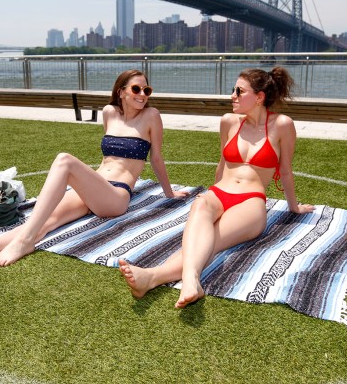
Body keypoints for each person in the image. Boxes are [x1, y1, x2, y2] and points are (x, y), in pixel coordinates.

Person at [0, 69, 187, 271]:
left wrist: (169, 194)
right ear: (121, 92)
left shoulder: (151, 116)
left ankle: (25, 241)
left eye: (147, 90)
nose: (142, 94)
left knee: (65, 161)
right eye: (136, 89)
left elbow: (156, 158)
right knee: (48, 219)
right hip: (94, 186)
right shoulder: (109, 112)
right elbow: (108, 158)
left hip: (116, 196)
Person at [119, 66, 314, 308]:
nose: (232, 95)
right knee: (201, 208)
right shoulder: (229, 121)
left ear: (259, 97)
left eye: (239, 91)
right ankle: (188, 280)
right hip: (220, 192)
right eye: (234, 90)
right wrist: (210, 195)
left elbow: (285, 170)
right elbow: (222, 163)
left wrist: (294, 207)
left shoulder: (282, 125)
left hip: (251, 200)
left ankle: (153, 276)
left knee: (211, 240)